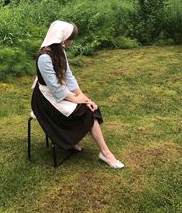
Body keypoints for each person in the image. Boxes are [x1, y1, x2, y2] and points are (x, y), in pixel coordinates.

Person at [31, 20, 124, 169]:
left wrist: (85, 99)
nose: (71, 42)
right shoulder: (44, 58)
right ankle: (106, 153)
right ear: (62, 38)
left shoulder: (60, 52)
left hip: (59, 93)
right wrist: (76, 99)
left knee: (89, 108)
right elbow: (55, 88)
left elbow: (69, 77)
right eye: (70, 38)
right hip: (44, 100)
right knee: (86, 112)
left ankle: (74, 143)